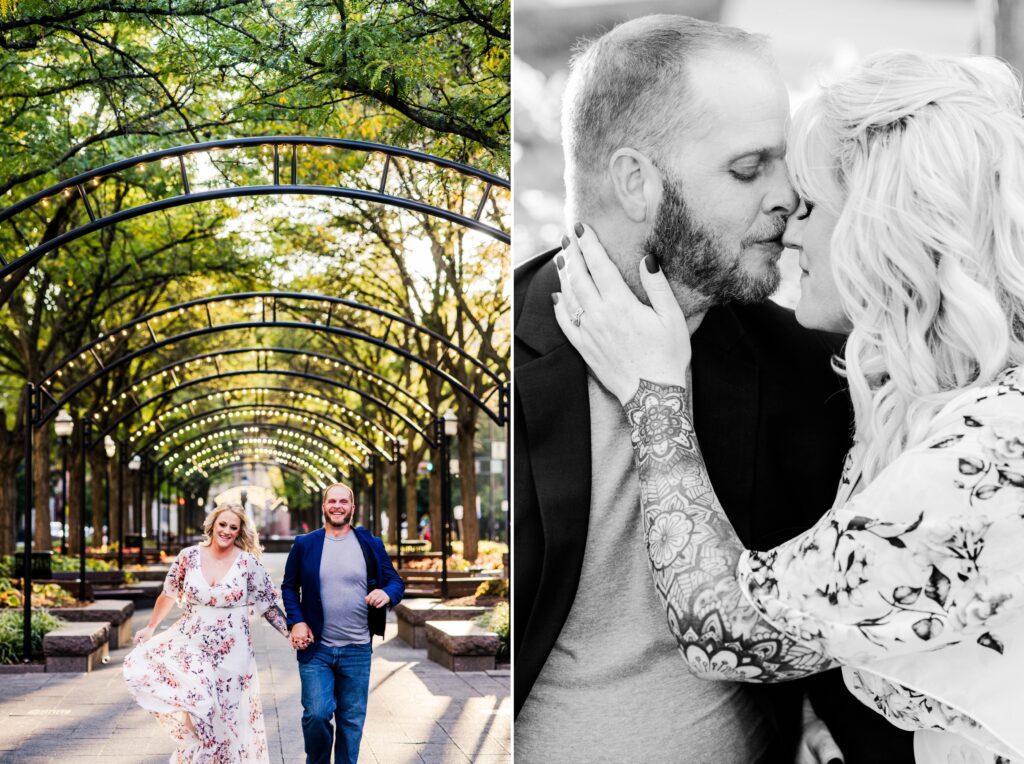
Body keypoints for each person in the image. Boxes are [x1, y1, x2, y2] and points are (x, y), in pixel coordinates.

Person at [555, 50, 1024, 764]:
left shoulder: (983, 453)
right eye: (751, 173)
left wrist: (655, 397)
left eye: (810, 203)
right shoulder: (947, 404)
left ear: (884, 226)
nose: (789, 225)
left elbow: (727, 626)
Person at [514, 13, 912, 763]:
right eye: (747, 167)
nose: (790, 197)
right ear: (637, 182)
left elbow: (837, 631)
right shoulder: (501, 353)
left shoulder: (808, 367)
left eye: (783, 162)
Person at [123, 504, 289, 762]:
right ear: (212, 525)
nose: (226, 531)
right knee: (201, 707)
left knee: (229, 717)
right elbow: (168, 593)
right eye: (222, 524)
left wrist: (291, 634)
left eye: (233, 527)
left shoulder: (247, 563)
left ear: (239, 532)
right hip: (192, 646)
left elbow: (267, 604)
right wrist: (151, 627)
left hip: (234, 653)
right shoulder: (188, 557)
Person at [281, 482, 405, 764]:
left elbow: (396, 583)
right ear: (324, 506)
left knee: (351, 721)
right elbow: (289, 587)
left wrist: (386, 593)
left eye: (343, 502)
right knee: (317, 713)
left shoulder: (370, 544)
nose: (337, 506)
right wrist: (296, 622)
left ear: (352, 508)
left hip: (358, 649)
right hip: (317, 648)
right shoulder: (305, 544)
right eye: (332, 501)